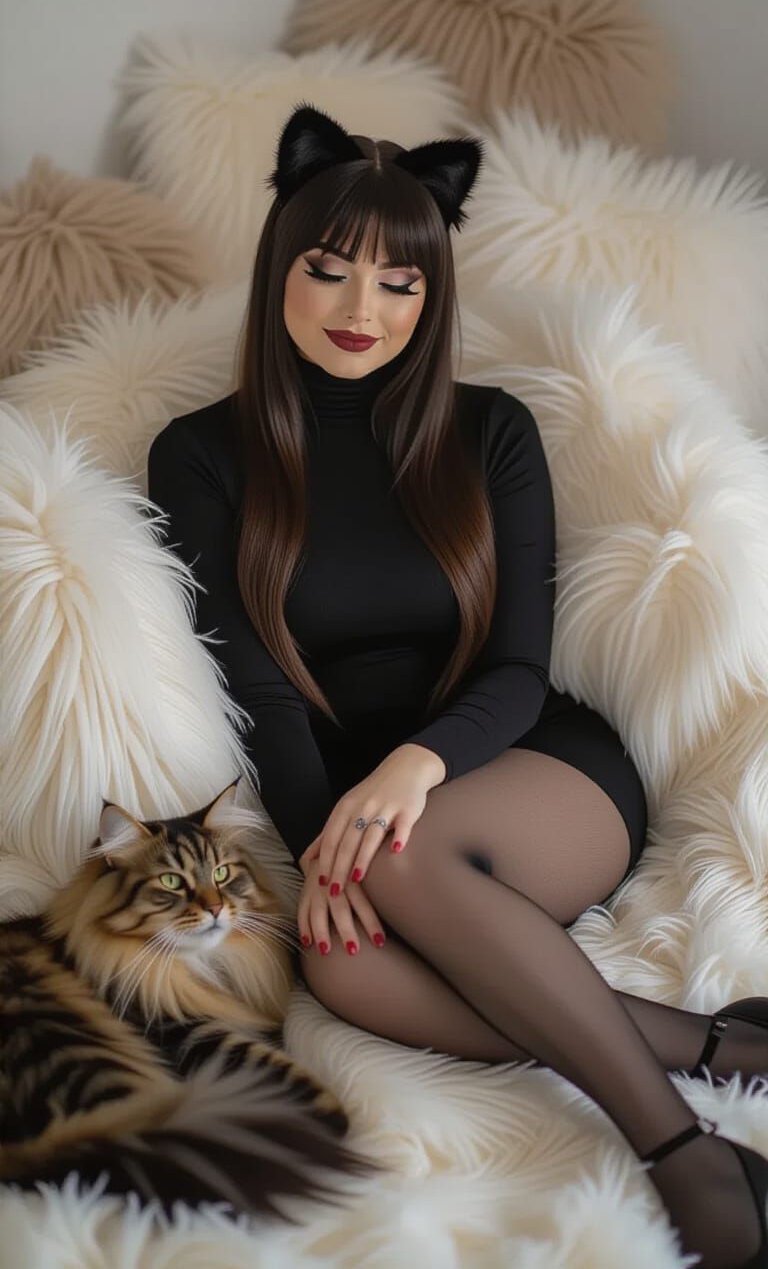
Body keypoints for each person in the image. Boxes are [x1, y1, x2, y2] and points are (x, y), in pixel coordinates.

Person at [146, 102, 768, 1267]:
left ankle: (685, 1151)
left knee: (403, 854)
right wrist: (319, 839)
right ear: (282, 267)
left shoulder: (493, 433)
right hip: (355, 814)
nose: (362, 309)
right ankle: (717, 1048)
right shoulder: (200, 455)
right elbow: (257, 688)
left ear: (431, 298)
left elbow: (520, 666)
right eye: (330, 271)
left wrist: (414, 766)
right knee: (340, 969)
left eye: (400, 285)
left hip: (531, 768)